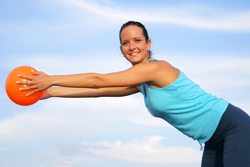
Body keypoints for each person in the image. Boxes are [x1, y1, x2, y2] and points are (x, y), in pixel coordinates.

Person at [18, 21, 250, 167]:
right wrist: (52, 92)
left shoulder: (156, 69)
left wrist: (52, 78)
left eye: (137, 40)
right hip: (212, 140)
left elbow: (100, 81)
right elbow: (101, 92)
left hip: (232, 126)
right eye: (125, 43)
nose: (132, 47)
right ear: (121, 49)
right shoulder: (142, 82)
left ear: (148, 43)